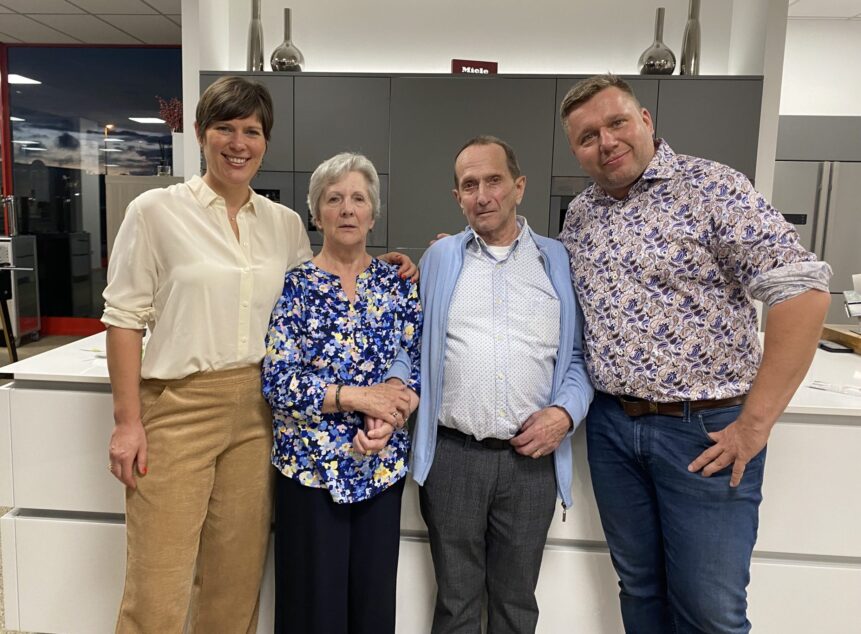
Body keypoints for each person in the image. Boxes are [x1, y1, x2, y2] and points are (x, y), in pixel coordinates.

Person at [103, 77, 415, 633]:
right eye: (225, 128)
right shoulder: (155, 212)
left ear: (265, 141)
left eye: (252, 130)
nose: (238, 142)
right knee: (159, 580)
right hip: (179, 408)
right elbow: (124, 319)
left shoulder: (283, 224)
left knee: (235, 579)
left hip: (258, 414)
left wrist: (394, 263)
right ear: (201, 133)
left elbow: (324, 280)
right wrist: (128, 421)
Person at [558, 74, 832, 634]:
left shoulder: (712, 187)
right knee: (639, 590)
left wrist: (754, 425)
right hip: (612, 429)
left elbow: (802, 292)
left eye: (616, 123)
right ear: (575, 151)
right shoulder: (580, 214)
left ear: (646, 122)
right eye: (588, 136)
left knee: (709, 610)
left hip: (703, 431)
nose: (606, 142)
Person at [413, 135, 593, 634]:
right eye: (469, 185)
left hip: (529, 464)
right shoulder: (440, 260)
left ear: (519, 187)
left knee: (516, 605)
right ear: (457, 198)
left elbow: (578, 358)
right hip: (453, 458)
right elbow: (411, 343)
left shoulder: (556, 260)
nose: (482, 194)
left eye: (493, 180)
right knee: (456, 603)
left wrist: (564, 414)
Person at [262, 152, 421, 634]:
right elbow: (278, 382)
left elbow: (412, 363)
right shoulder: (295, 286)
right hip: (308, 472)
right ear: (316, 214)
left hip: (380, 468)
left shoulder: (397, 283)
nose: (347, 209)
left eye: (358, 199)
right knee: (313, 609)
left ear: (374, 213)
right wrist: (358, 398)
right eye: (334, 199)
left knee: (373, 609)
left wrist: (392, 410)